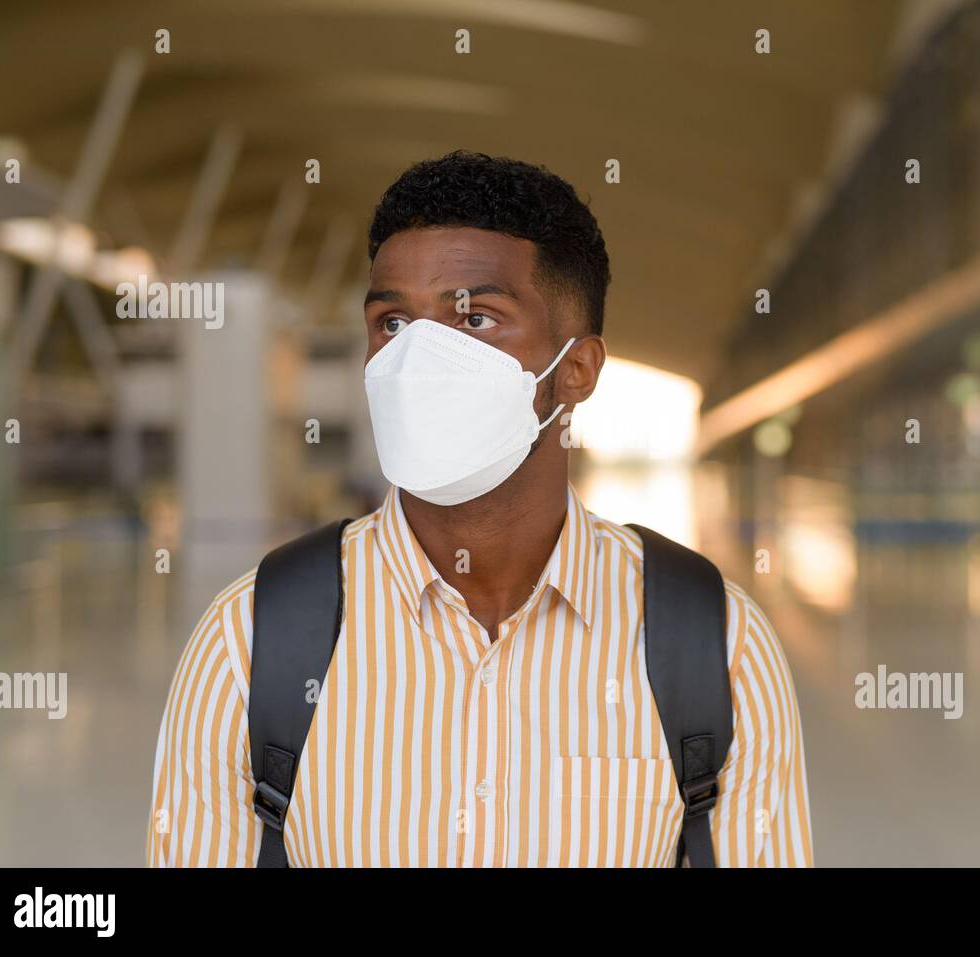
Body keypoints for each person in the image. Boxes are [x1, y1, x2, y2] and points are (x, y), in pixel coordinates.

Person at [147, 150, 812, 867]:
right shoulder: (252, 643)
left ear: (577, 370)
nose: (419, 360)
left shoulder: (714, 644)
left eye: (477, 319)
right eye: (394, 324)